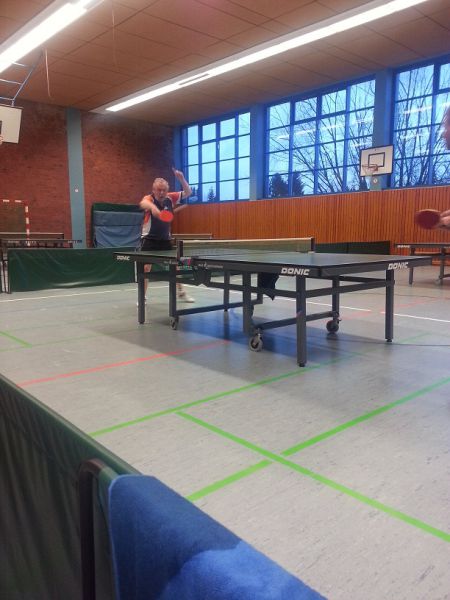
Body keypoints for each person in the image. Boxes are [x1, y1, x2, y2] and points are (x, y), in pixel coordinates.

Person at [139, 168, 195, 303]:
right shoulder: (149, 198)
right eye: (159, 190)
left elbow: (188, 192)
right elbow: (143, 203)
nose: (161, 192)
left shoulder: (170, 197)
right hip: (149, 239)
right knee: (146, 268)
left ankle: (181, 292)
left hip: (165, 239)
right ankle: (142, 296)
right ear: (153, 190)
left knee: (175, 265)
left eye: (164, 190)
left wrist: (181, 179)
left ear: (167, 190)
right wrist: (153, 208)